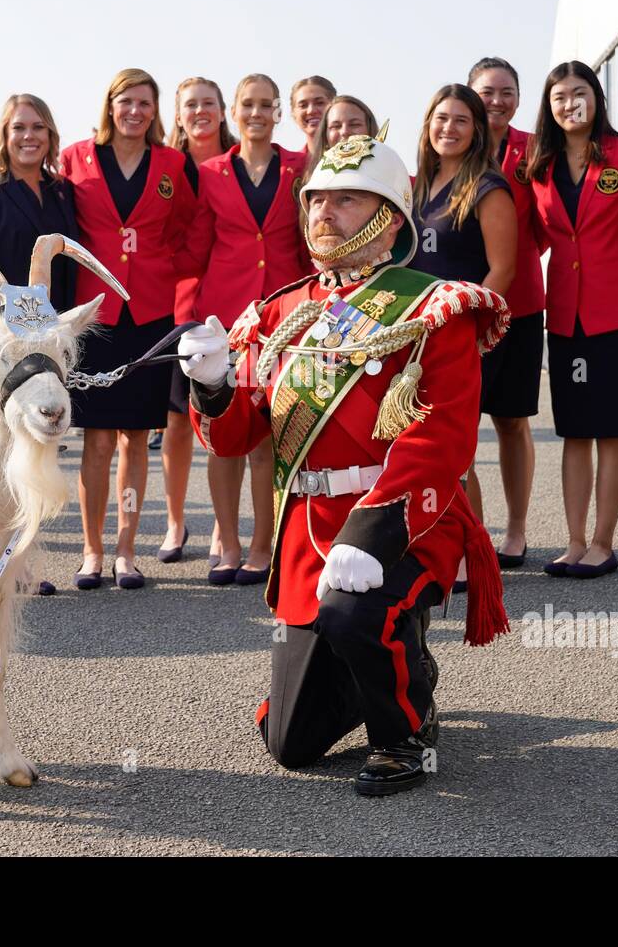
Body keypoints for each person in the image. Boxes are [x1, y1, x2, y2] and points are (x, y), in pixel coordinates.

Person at [182, 135, 510, 795]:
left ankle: (406, 729)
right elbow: (238, 434)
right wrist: (213, 385)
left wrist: (371, 533)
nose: (323, 213)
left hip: (403, 521)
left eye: (346, 200)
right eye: (316, 200)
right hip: (306, 529)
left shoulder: (433, 307)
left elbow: (440, 439)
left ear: (389, 216)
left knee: (356, 611)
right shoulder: (280, 313)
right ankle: (377, 662)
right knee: (291, 744)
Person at [525, 61, 618, 579]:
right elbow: (541, 235)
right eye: (559, 97)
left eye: (578, 94)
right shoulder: (540, 166)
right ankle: (575, 541)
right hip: (564, 314)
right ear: (550, 106)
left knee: (611, 431)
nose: (568, 105)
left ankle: (604, 543)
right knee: (574, 431)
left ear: (596, 98)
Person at [60, 68, 198, 590]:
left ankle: (126, 551)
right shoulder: (75, 157)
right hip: (95, 314)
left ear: (154, 109)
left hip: (149, 312)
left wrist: (161, 265)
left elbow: (187, 225)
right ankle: (91, 550)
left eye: (144, 102)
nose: (134, 111)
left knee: (136, 439)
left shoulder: (173, 163)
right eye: (125, 101)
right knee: (96, 439)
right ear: (110, 105)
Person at [182, 74, 311, 585]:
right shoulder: (210, 172)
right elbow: (196, 246)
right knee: (221, 435)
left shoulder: (299, 169)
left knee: (265, 439)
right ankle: (228, 543)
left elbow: (307, 245)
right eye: (247, 105)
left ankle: (264, 544)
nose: (256, 113)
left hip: (284, 319)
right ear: (234, 113)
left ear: (278, 111)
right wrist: (187, 320)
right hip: (224, 322)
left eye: (265, 105)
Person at [408, 83, 517, 588]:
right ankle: (435, 545)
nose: (447, 128)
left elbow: (502, 268)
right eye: (440, 118)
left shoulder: (488, 187)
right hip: (413, 339)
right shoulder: (414, 188)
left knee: (456, 453)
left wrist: (465, 325)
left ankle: (473, 556)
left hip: (459, 338)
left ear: (476, 132)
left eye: (460, 120)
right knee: (422, 450)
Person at [469, 56, 544, 567]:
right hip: (460, 307)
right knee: (457, 427)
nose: (497, 101)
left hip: (519, 304)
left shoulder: (535, 150)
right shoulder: (452, 143)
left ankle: (516, 530)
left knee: (512, 420)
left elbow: (548, 218)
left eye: (507, 91)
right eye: (487, 91)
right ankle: (466, 533)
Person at [158, 77, 235, 565]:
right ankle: (174, 519)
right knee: (177, 422)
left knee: (223, 418)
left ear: (223, 110)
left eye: (209, 103)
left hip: (229, 303)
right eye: (191, 105)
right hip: (178, 306)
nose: (201, 111)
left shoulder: (240, 163)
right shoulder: (168, 166)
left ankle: (221, 526)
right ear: (179, 113)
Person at [0, 94, 77, 330]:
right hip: (0, 340)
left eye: (38, 127)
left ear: (49, 134)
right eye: (18, 127)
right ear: (5, 134)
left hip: (55, 337)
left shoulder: (62, 190)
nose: (29, 135)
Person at [289, 75, 336, 162]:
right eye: (303, 105)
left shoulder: (353, 159)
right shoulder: (286, 167)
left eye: (319, 103)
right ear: (293, 114)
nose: (311, 111)